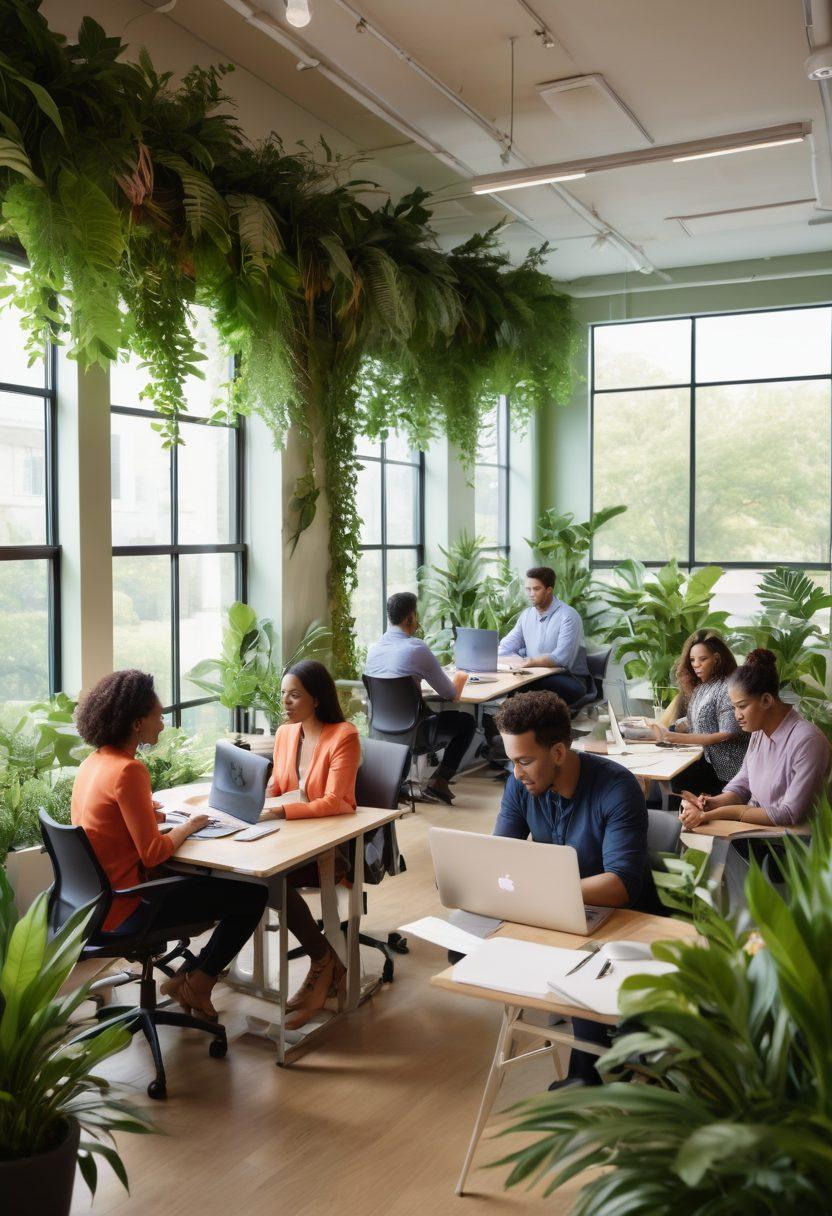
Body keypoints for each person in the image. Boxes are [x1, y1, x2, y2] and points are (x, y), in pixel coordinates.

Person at [71, 670, 268, 1022]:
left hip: (95, 904)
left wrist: (148, 817)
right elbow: (153, 853)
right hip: (130, 904)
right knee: (251, 895)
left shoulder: (94, 762)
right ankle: (198, 982)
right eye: (158, 716)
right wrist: (191, 824)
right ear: (136, 723)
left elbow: (110, 824)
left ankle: (188, 976)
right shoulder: (129, 771)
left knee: (227, 890)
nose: (162, 724)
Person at [493, 690, 649, 1089]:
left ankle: (595, 1066)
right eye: (512, 761)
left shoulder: (617, 787)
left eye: (525, 761)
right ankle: (592, 1065)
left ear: (559, 752)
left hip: (627, 918)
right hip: (567, 911)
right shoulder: (521, 785)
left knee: (575, 950)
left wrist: (543, 892)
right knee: (465, 946)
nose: (517, 773)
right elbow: (501, 855)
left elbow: (622, 884)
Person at [265, 659, 362, 1029]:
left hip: (326, 847)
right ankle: (327, 963)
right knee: (255, 877)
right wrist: (255, 805)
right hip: (285, 838)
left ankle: (322, 964)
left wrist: (280, 814)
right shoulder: (285, 734)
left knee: (269, 880)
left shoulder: (344, 736)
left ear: (316, 699)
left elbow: (338, 801)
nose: (286, 703)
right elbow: (277, 786)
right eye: (284, 695)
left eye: (295, 695)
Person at [679, 649, 830, 831]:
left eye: (742, 706)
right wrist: (709, 804)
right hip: (754, 830)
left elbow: (789, 813)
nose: (737, 716)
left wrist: (712, 815)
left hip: (787, 843)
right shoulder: (759, 733)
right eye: (734, 707)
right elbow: (742, 784)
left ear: (766, 700)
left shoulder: (809, 741)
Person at [364, 591, 476, 805]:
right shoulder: (416, 648)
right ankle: (439, 782)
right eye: (416, 615)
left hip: (379, 733)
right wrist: (460, 675)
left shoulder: (373, 649)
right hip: (415, 733)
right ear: (410, 618)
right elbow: (450, 694)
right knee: (467, 723)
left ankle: (407, 785)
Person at [650, 630, 748, 794]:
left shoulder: (727, 688)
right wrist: (667, 730)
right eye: (692, 660)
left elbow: (727, 733)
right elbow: (695, 720)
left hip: (726, 769)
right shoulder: (703, 687)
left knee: (675, 777)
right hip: (707, 760)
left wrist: (678, 738)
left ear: (717, 659)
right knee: (666, 769)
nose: (696, 664)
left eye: (703, 659)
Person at [498, 567, 593, 707]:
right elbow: (507, 646)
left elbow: (561, 658)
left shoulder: (568, 616)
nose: (531, 594)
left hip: (570, 679)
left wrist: (528, 662)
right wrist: (487, 658)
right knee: (516, 691)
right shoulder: (527, 615)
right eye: (528, 589)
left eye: (536, 589)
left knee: (522, 692)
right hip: (535, 675)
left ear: (549, 590)